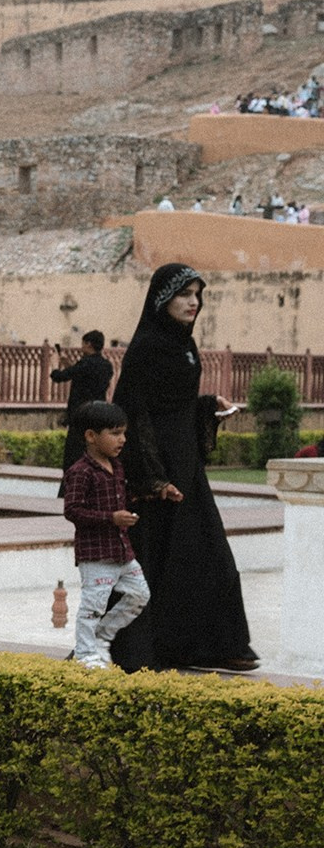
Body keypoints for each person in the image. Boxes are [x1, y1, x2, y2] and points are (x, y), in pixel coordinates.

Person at [109, 263, 260, 672]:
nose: (193, 302)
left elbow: (173, 405)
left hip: (185, 463)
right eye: (184, 294)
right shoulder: (147, 347)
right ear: (162, 299)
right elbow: (134, 410)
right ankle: (139, 650)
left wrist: (209, 407)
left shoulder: (184, 344)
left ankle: (214, 645)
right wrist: (153, 478)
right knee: (155, 556)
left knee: (207, 554)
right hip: (158, 465)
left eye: (197, 294)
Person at [59, 401, 150, 669]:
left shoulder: (117, 466)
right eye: (114, 433)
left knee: (139, 595)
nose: (122, 439)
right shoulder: (80, 472)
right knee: (92, 607)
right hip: (96, 554)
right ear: (90, 436)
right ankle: (86, 655)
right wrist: (111, 518)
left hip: (122, 551)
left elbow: (120, 496)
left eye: (123, 432)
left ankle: (101, 638)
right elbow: (72, 510)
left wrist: (154, 492)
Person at [48, 330, 113, 470]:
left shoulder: (85, 364)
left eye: (83, 344)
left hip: (79, 416)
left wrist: (54, 364)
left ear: (88, 344)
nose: (81, 347)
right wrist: (68, 364)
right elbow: (82, 377)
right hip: (98, 416)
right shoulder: (107, 366)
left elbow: (58, 377)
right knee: (92, 456)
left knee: (73, 458)